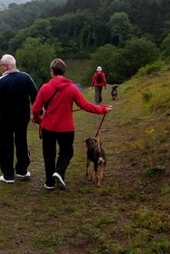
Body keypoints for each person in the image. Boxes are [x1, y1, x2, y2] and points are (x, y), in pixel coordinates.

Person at [32, 58, 112, 190]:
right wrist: (102, 110)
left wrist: (39, 120)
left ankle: (49, 183)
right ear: (64, 71)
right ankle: (59, 171)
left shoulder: (45, 88)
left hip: (48, 127)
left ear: (52, 71)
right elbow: (85, 105)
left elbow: (35, 109)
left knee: (48, 154)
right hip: (66, 129)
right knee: (66, 152)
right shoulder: (72, 88)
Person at [0, 54, 38, 184]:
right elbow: (36, 95)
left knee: (5, 145)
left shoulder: (0, 81)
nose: (0, 68)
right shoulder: (26, 78)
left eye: (1, 65)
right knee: (22, 142)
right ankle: (22, 171)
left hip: (5, 119)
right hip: (22, 118)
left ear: (6, 66)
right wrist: (38, 113)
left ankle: (8, 175)